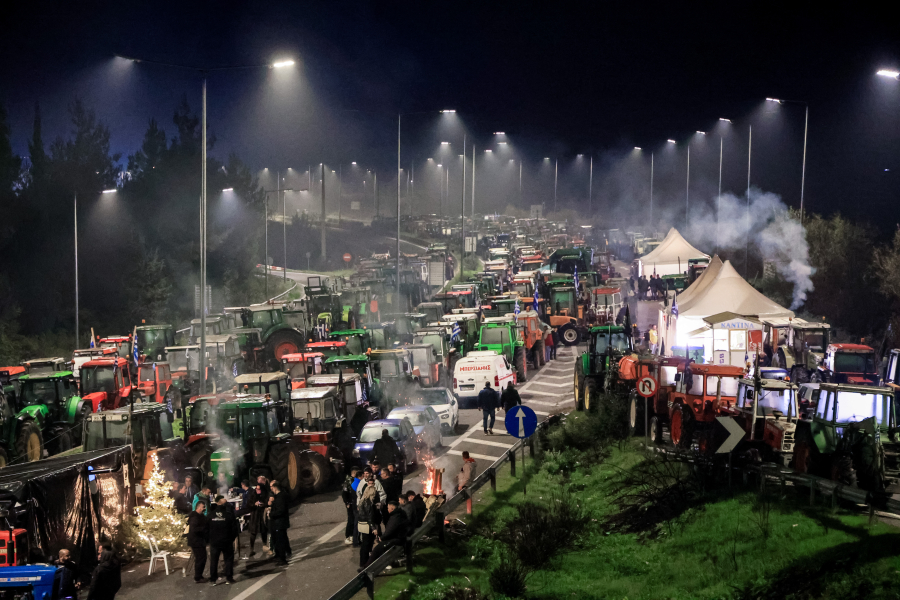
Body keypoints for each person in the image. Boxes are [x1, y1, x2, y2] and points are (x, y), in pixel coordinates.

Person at [361, 500, 409, 569]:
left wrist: (382, 538)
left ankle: (367, 567)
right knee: (379, 547)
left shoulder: (395, 517)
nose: (387, 509)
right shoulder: (400, 513)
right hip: (401, 537)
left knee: (377, 549)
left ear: (392, 508)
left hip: (397, 539)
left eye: (388, 508)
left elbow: (390, 530)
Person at [356, 470, 386, 568]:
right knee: (367, 544)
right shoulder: (369, 503)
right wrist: (374, 528)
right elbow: (370, 516)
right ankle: (365, 564)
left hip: (362, 525)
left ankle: (364, 562)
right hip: (368, 526)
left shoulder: (362, 500)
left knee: (365, 544)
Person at [207, 495, 238, 585]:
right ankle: (229, 578)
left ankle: (213, 579)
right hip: (226, 541)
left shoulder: (211, 515)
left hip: (214, 542)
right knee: (228, 559)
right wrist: (231, 539)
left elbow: (206, 529)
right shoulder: (229, 515)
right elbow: (234, 529)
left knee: (214, 560)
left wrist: (210, 539)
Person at [268, 481, 291, 565]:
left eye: (271, 486)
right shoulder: (277, 496)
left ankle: (282, 558)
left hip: (280, 522)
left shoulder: (281, 497)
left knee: (280, 540)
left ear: (275, 487)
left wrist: (271, 514)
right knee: (278, 540)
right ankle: (279, 555)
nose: (270, 488)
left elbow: (280, 510)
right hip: (277, 522)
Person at [186, 501, 209, 582]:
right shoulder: (195, 517)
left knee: (202, 557)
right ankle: (198, 577)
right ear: (199, 508)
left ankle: (199, 575)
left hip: (199, 540)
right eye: (203, 507)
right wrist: (204, 529)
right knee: (200, 558)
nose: (204, 508)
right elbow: (194, 529)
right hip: (196, 541)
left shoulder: (200, 516)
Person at [247, 478, 269, 557]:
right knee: (253, 532)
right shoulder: (253, 495)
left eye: (259, 489)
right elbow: (249, 504)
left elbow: (267, 502)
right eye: (256, 489)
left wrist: (263, 504)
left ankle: (264, 545)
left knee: (263, 530)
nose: (257, 490)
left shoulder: (265, 494)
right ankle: (251, 549)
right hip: (255, 515)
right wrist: (254, 504)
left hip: (262, 514)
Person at [342, 468, 361, 546]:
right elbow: (344, 493)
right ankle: (349, 535)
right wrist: (347, 502)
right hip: (350, 503)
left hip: (352, 502)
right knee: (351, 519)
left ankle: (353, 535)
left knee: (354, 519)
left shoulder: (352, 481)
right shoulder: (349, 482)